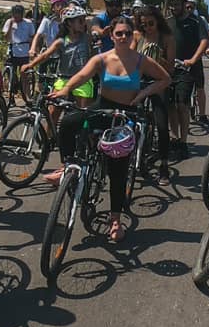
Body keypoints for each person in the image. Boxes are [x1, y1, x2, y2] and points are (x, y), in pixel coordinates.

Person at [53, 17, 170, 242]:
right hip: (102, 108)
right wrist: (65, 89)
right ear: (112, 36)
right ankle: (67, 166)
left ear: (133, 34)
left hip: (125, 115)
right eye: (119, 34)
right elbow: (81, 76)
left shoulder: (140, 60)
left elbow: (165, 79)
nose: (124, 37)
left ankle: (115, 220)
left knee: (118, 168)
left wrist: (143, 94)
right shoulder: (102, 59)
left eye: (127, 33)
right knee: (68, 124)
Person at [22, 3, 93, 181]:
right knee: (53, 112)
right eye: (79, 21)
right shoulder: (61, 41)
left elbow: (98, 32)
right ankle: (46, 144)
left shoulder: (87, 37)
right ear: (69, 24)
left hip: (83, 80)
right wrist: (30, 65)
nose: (83, 23)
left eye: (84, 20)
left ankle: (82, 147)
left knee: (81, 116)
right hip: (63, 79)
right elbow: (45, 55)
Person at [133, 4, 175, 184]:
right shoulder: (137, 36)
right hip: (140, 81)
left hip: (159, 82)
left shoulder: (167, 38)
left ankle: (164, 165)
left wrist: (158, 58)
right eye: (144, 24)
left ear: (157, 21)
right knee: (130, 119)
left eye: (151, 23)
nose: (147, 27)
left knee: (162, 124)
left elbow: (171, 67)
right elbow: (130, 56)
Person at [167, 0, 209, 153]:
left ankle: (183, 141)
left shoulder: (195, 21)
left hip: (188, 69)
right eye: (171, 5)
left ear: (184, 5)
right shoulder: (168, 22)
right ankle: (175, 137)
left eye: (176, 5)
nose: (173, 8)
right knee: (170, 105)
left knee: (182, 104)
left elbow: (204, 41)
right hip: (170, 68)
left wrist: (193, 59)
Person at [2, 3, 36, 101]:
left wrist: (32, 49)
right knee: (11, 75)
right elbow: (6, 38)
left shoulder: (28, 23)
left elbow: (32, 37)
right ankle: (11, 93)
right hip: (12, 50)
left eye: (18, 14)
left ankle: (27, 96)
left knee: (24, 75)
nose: (16, 16)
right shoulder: (9, 22)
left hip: (24, 52)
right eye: (14, 14)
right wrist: (11, 26)